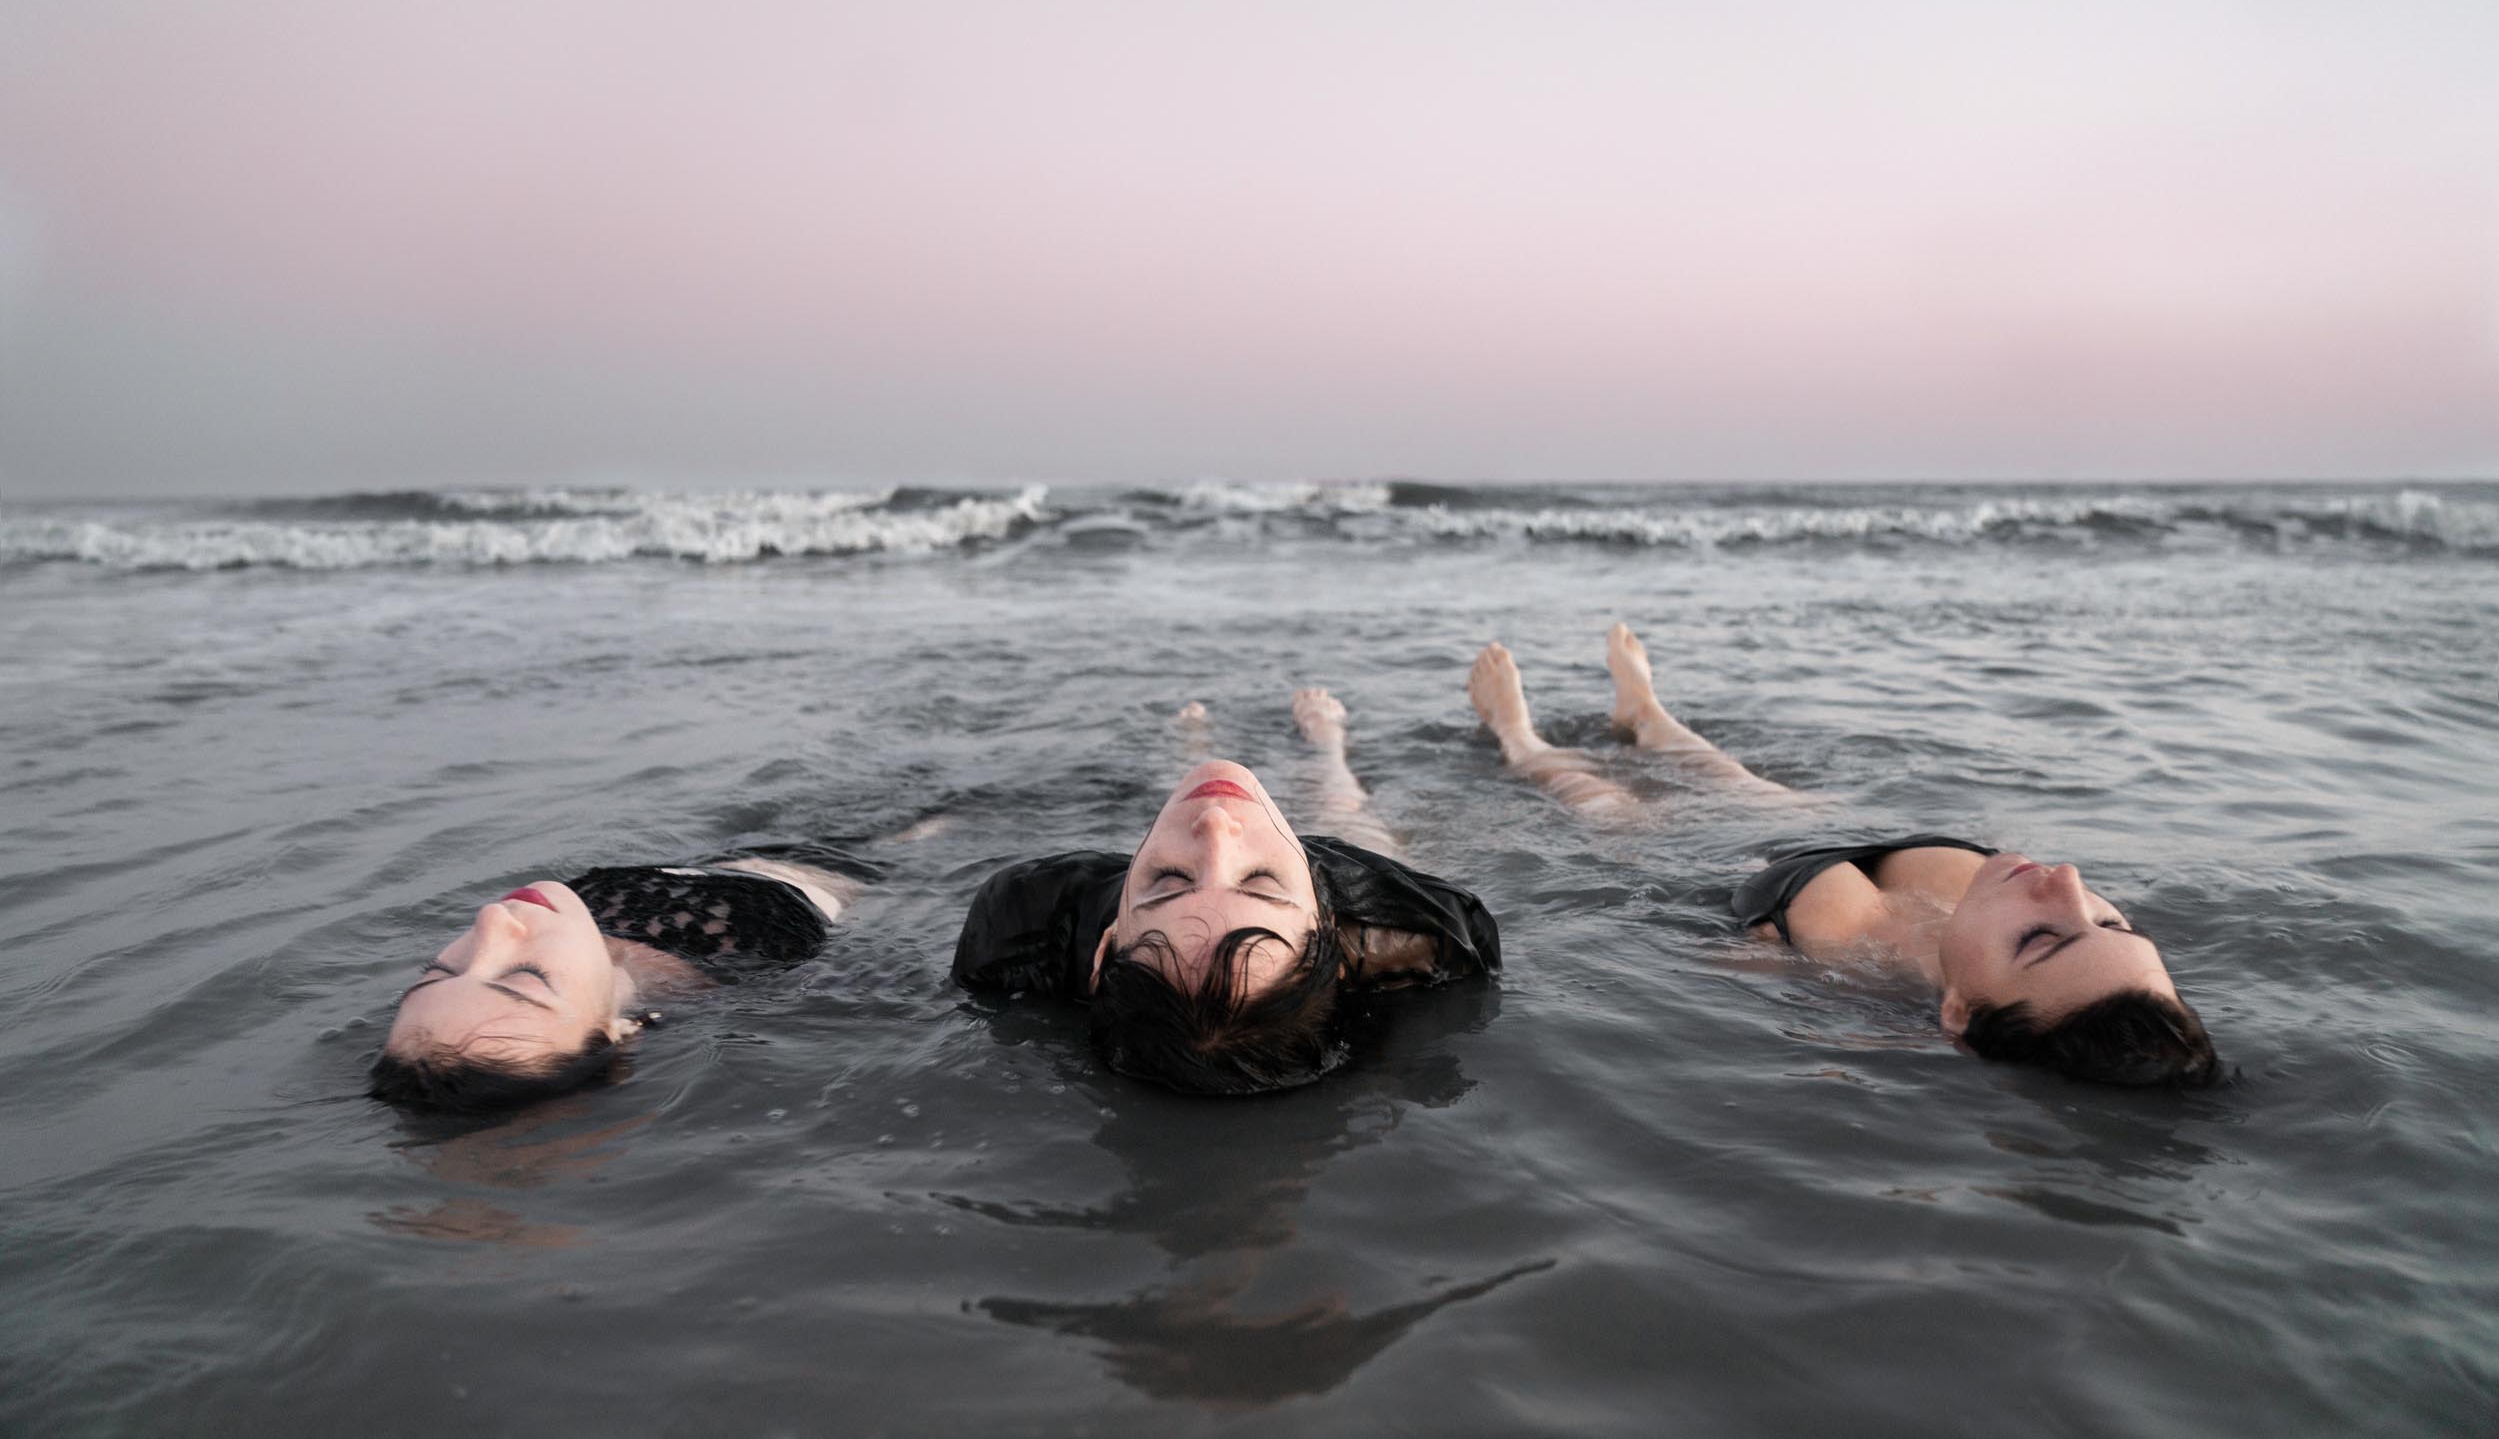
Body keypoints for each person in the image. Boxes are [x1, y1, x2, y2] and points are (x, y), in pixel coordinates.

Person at [1466, 625, 2221, 1088]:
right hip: (1840, 832)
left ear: (1957, 1012)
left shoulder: (1848, 988)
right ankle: (1648, 715)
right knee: (1732, 775)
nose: (2069, 883)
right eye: (2112, 924)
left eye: (2043, 937)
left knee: (1599, 802)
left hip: (1732, 864)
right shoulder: (2026, 924)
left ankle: (1516, 734)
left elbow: (1652, 958)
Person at [951, 688, 1499, 1094]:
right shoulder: (1408, 928)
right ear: (1332, 936)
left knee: (1187, 794)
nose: (1217, 827)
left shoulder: (1028, 916)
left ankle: (1192, 749)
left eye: (1168, 883)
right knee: (1349, 810)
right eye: (1259, 882)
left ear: (1106, 946)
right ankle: (1329, 745)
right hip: (1334, 890)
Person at [371, 843, 868, 1113]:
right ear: (615, 1031)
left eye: (441, 971)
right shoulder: (769, 966)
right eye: (526, 977)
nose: (489, 921)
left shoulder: (561, 924)